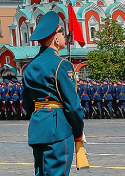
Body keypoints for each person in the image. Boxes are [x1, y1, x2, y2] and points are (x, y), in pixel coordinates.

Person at [22, 13, 84, 176]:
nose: (64, 37)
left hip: (38, 126)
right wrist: (78, 132)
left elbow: (27, 104)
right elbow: (73, 105)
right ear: (56, 39)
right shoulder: (62, 65)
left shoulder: (30, 66)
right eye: (62, 34)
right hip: (58, 127)